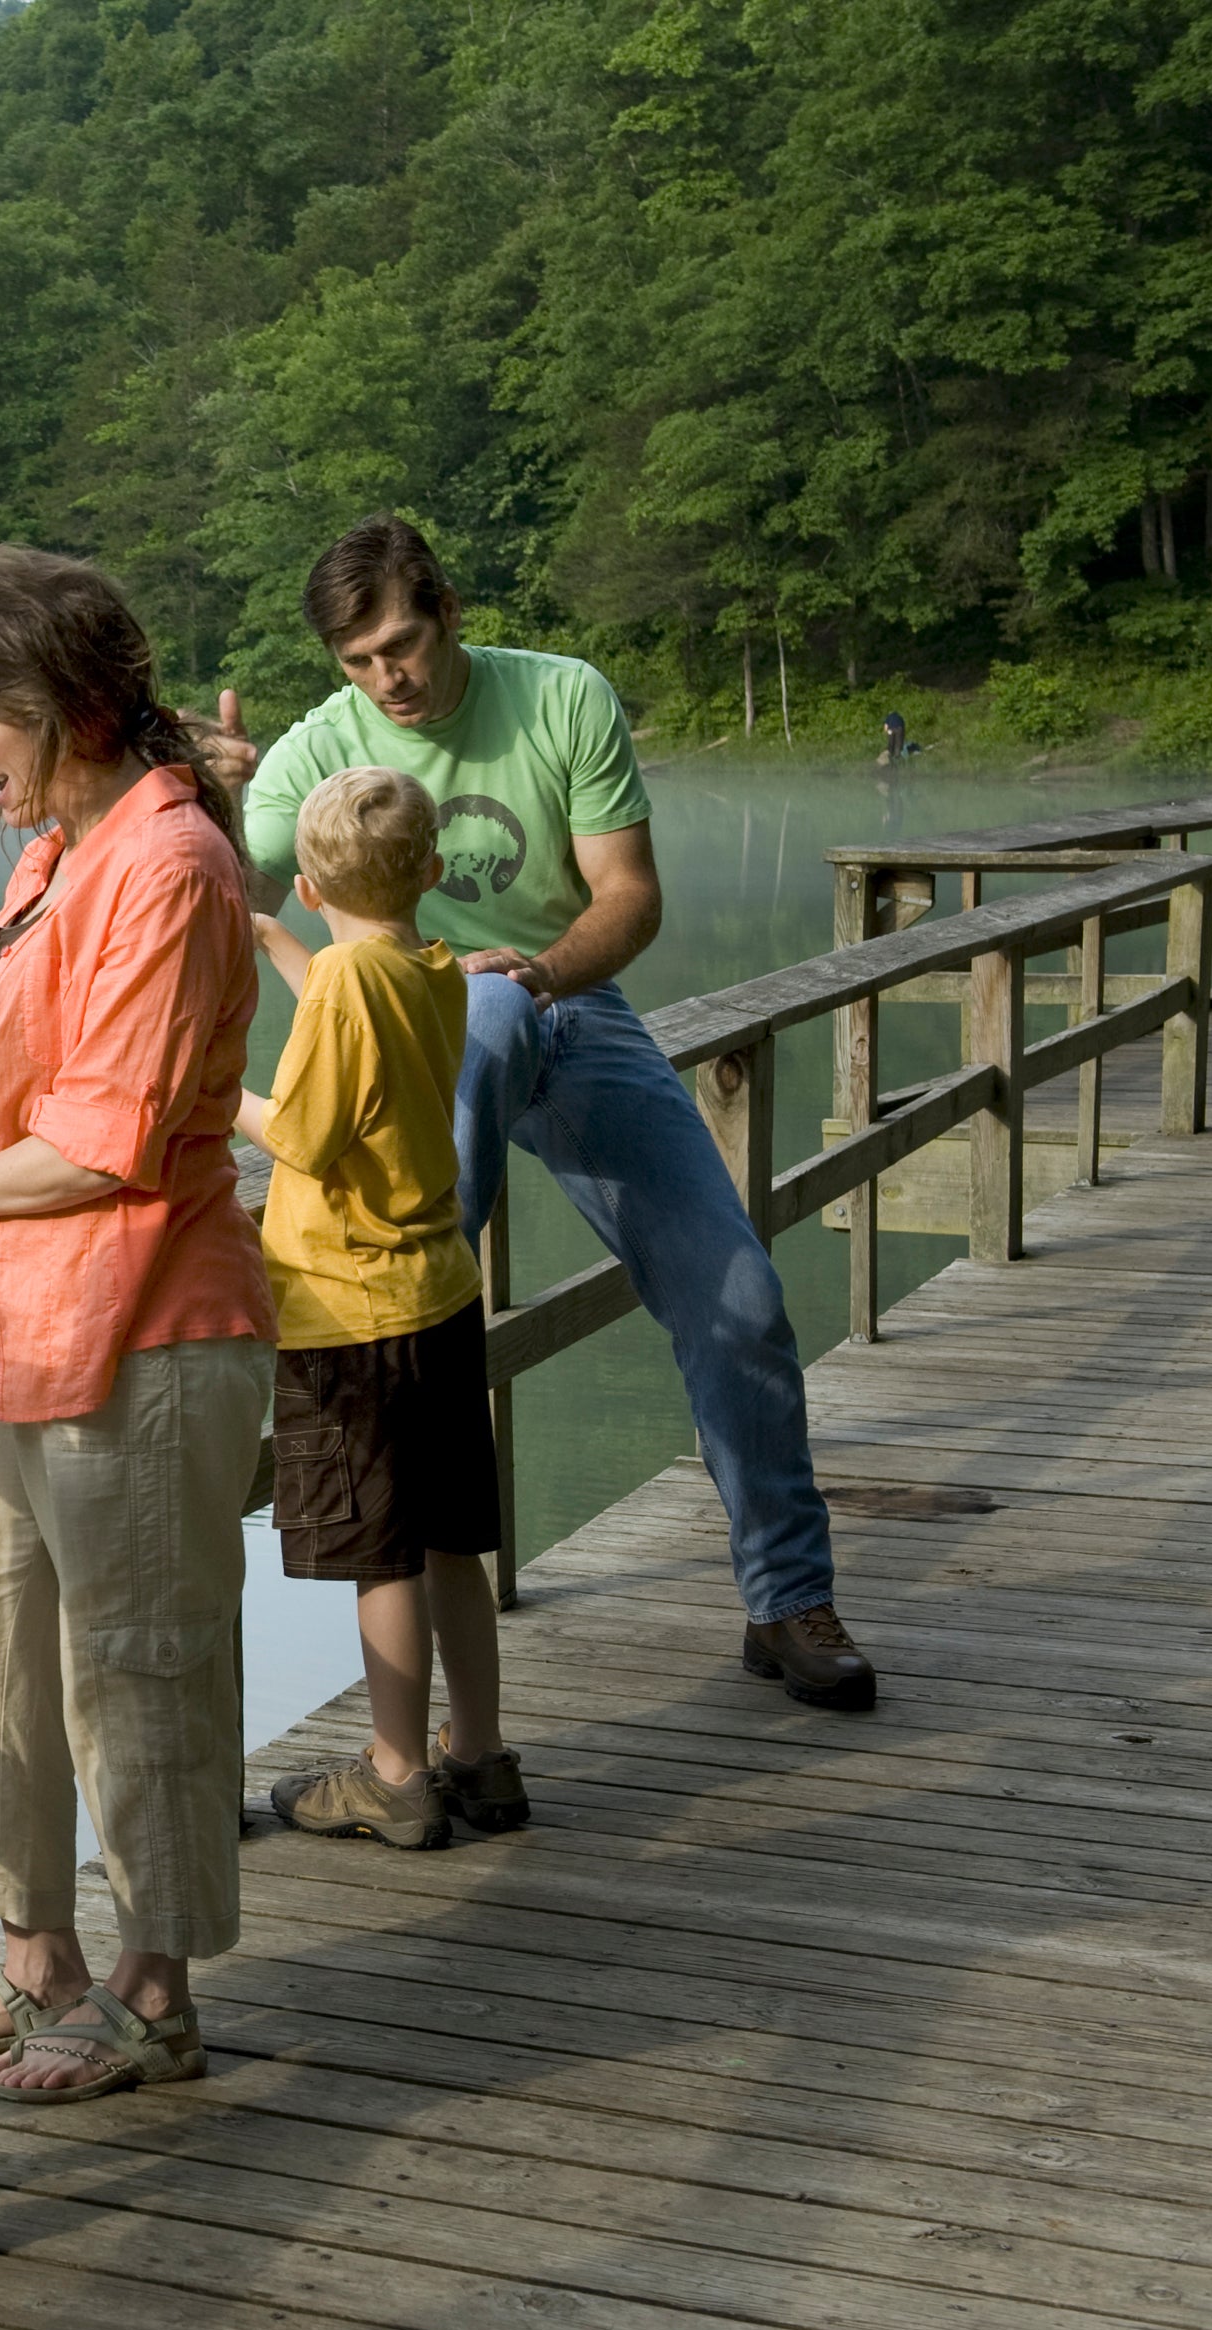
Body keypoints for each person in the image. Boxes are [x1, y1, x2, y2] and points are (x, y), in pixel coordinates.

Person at [243, 516, 870, 1707]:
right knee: (468, 1039)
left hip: (570, 1012)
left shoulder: (560, 697)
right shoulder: (310, 755)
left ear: (449, 609)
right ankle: (425, 1324)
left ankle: (788, 1600)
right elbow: (239, 911)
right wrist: (204, 804)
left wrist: (529, 976)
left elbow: (628, 897)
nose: (390, 680)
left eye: (404, 644)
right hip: (425, 1044)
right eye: (360, 661)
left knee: (740, 1300)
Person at [0, 546, 276, 2102]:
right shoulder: (59, 846)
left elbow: (105, 1142)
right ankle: (33, 1956)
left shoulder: (169, 863)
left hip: (149, 1330)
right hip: (3, 1322)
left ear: (53, 700)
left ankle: (156, 1984)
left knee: (142, 1665)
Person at [237, 767, 529, 1848]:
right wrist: (277, 951)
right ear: (435, 873)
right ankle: (479, 1754)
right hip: (440, 1295)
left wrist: (214, 1084)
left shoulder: (346, 982)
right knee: (454, 1541)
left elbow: (306, 1137)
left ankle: (396, 1773)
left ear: (311, 885)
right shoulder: (431, 965)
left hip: (355, 1313)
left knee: (383, 1552)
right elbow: (358, 999)